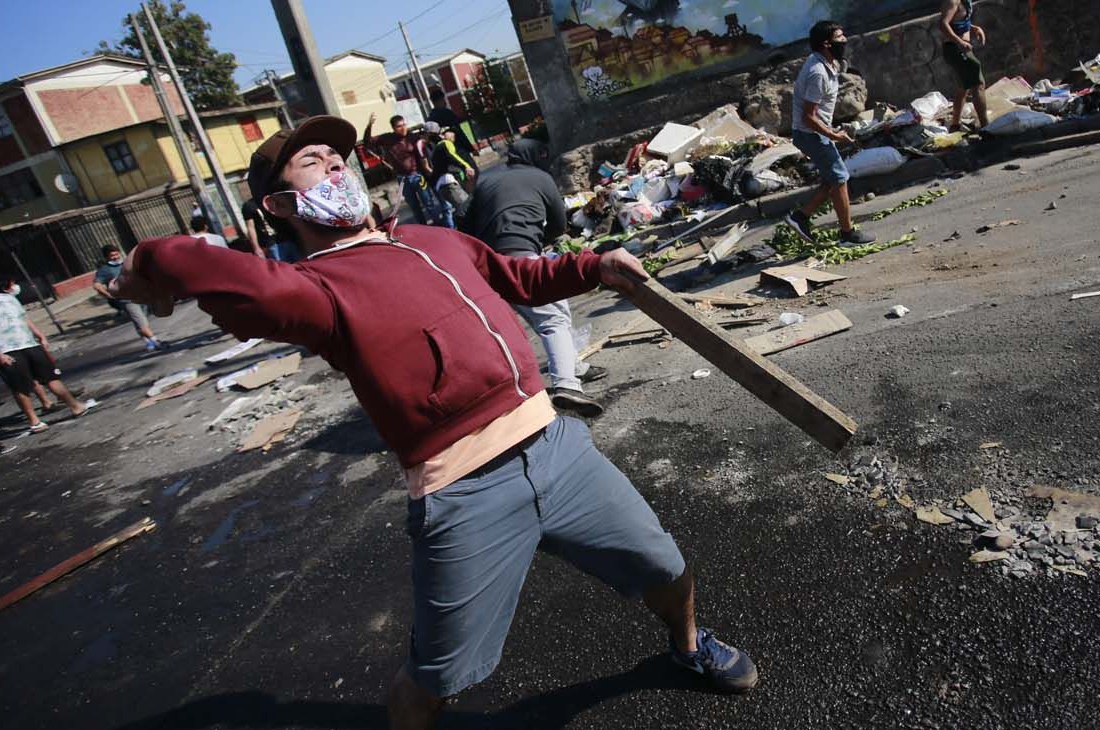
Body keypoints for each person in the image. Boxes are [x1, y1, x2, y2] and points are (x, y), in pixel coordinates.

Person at [108, 115, 757, 729]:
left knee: (666, 567)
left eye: (340, 159)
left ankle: (689, 644)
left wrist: (595, 266)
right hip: (464, 492)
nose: (336, 169)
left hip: (558, 447)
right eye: (313, 164)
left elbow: (518, 277)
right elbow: (210, 268)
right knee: (436, 677)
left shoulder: (433, 239)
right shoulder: (313, 289)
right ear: (278, 205)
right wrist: (145, 267)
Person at [463, 138, 608, 418]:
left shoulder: (486, 182)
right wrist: (542, 238)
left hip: (484, 266)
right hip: (520, 257)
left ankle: (573, 367)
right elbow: (558, 223)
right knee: (552, 318)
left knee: (531, 320)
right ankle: (567, 386)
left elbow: (464, 224)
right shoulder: (540, 177)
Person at [783, 21, 879, 248]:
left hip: (815, 132)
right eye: (840, 37)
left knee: (831, 178)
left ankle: (801, 217)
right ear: (827, 44)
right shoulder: (818, 72)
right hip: (810, 134)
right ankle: (847, 234)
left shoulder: (826, 63)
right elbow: (809, 116)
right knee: (840, 178)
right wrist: (834, 136)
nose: (844, 40)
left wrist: (830, 130)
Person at [0, 273, 95, 432]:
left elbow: (25, 318)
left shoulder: (8, 298)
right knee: (22, 387)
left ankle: (75, 406)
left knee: (51, 377)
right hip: (8, 350)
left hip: (29, 344)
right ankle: (34, 421)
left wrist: (40, 335)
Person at [93, 246, 166, 352]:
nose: (115, 257)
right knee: (141, 322)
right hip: (126, 300)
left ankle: (148, 342)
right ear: (106, 257)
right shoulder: (105, 270)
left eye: (116, 254)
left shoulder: (128, 262)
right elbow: (96, 285)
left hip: (140, 295)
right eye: (112, 255)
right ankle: (157, 342)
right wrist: (109, 295)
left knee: (142, 322)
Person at [368, 115, 438, 226]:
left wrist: (428, 171)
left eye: (404, 125)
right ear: (394, 128)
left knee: (428, 203)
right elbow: (368, 142)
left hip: (418, 176)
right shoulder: (387, 138)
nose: (403, 128)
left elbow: (423, 155)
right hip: (402, 179)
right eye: (399, 126)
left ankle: (439, 225)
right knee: (414, 207)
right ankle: (424, 229)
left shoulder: (412, 137)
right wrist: (369, 125)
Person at [940, 0, 989, 131]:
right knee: (978, 84)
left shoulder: (964, 1)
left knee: (963, 87)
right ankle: (986, 128)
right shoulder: (952, 1)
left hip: (957, 48)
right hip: (956, 48)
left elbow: (957, 20)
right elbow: (943, 24)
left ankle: (955, 125)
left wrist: (973, 28)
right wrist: (960, 42)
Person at [424, 122, 474, 230]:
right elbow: (452, 157)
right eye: (447, 132)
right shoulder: (444, 144)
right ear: (440, 134)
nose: (452, 134)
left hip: (442, 185)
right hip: (449, 183)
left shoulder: (435, 148)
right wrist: (466, 166)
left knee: (462, 210)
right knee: (467, 210)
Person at [426, 88, 478, 168]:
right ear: (441, 99)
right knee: (472, 169)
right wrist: (470, 148)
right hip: (458, 148)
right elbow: (458, 131)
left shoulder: (430, 118)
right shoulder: (447, 113)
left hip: (444, 153)